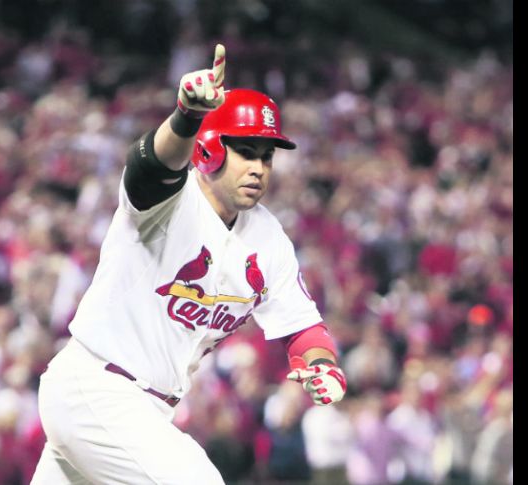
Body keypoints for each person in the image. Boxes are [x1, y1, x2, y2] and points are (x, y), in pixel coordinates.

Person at [30, 44, 348, 484]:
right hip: (97, 387)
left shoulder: (268, 238)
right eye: (247, 151)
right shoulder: (171, 202)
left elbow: (302, 328)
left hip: (145, 410)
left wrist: (321, 363)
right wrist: (185, 116)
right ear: (210, 150)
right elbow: (149, 168)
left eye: (267, 155)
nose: (259, 167)